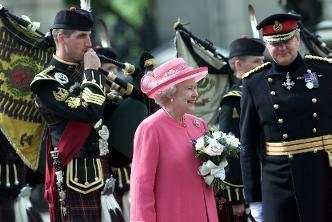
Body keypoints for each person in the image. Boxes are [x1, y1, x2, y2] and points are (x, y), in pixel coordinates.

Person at [30, 6, 120, 222]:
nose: (89, 43)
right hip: (77, 177)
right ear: (62, 37)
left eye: (89, 36)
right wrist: (91, 72)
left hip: (105, 172)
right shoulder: (46, 82)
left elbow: (111, 113)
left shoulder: (88, 70)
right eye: (82, 36)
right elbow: (89, 110)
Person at [240, 13, 332, 222]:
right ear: (266, 44)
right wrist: (254, 199)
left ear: (298, 38)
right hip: (279, 183)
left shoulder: (325, 71)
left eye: (286, 40)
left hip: (322, 176)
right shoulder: (254, 83)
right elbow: (248, 146)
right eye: (274, 43)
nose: (281, 47)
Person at [130, 57, 218, 222]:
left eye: (196, 87)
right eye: (189, 88)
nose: (196, 93)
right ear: (171, 92)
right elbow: (141, 190)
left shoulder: (199, 125)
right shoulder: (150, 128)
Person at [217, 37, 265, 222]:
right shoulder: (234, 100)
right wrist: (236, 196)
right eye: (256, 61)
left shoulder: (264, 89)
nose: (263, 64)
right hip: (250, 188)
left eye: (262, 60)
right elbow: (232, 149)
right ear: (239, 65)